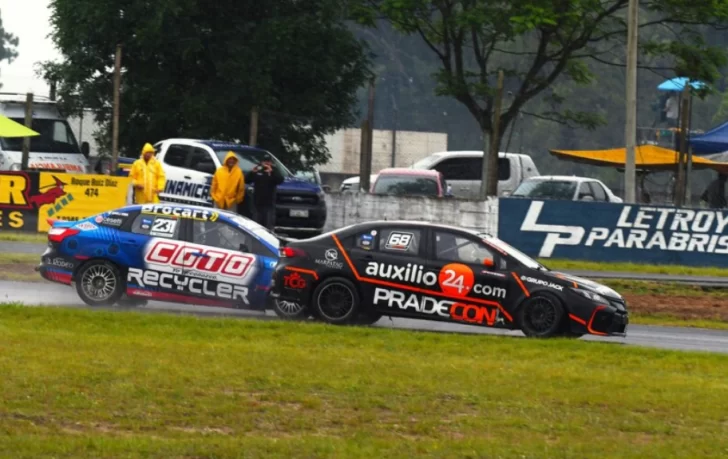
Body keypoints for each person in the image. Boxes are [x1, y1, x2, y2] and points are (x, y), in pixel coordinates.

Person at [245, 154, 284, 230]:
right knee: (256, 224)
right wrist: (252, 172)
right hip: (257, 202)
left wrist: (271, 172)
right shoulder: (258, 169)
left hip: (269, 203)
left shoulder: (274, 170)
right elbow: (246, 180)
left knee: (268, 224)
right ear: (262, 162)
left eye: (268, 161)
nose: (266, 163)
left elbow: (280, 180)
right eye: (265, 161)